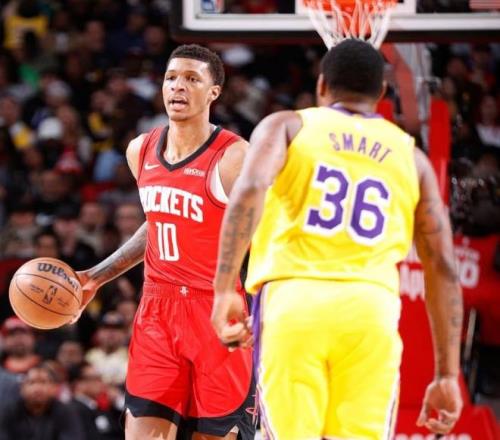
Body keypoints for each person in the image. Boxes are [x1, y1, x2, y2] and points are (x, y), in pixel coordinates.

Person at [211, 39, 464, 439]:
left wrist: (225, 287)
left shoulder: (287, 125)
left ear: (322, 85)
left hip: (294, 300)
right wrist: (447, 374)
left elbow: (250, 190)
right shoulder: (412, 157)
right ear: (382, 92)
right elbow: (444, 266)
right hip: (371, 308)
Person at [72, 44, 254, 440]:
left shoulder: (236, 157)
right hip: (157, 312)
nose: (178, 86)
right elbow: (158, 221)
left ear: (214, 92)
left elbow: (264, 237)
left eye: (191, 79)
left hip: (216, 312)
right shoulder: (140, 149)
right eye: (171, 78)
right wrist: (96, 277)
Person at [0, 363, 85, 440]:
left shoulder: (66, 412)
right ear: (22, 388)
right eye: (32, 382)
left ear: (54, 388)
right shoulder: (9, 411)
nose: (38, 388)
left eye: (43, 382)